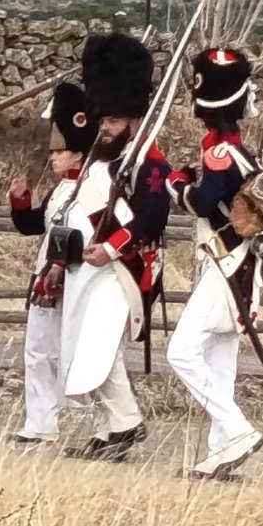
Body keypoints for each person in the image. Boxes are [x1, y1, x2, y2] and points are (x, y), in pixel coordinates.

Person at [56, 34, 171, 462]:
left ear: (135, 121)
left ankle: (125, 423)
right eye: (103, 119)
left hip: (128, 268)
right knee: (89, 346)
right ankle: (108, 431)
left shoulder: (151, 163)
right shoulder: (103, 160)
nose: (104, 127)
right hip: (97, 265)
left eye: (113, 120)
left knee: (98, 346)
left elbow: (151, 219)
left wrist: (111, 247)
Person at [166, 48, 263, 479]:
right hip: (236, 262)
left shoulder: (221, 153)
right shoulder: (235, 151)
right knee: (220, 363)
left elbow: (204, 204)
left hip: (227, 260)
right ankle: (221, 451)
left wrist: (177, 184)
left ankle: (238, 430)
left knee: (181, 352)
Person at [7, 81, 97, 443]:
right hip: (49, 279)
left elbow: (88, 235)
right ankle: (40, 423)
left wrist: (60, 266)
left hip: (75, 278)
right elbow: (35, 226)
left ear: (77, 154)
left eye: (60, 151)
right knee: (38, 351)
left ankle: (91, 418)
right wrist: (20, 201)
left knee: (76, 350)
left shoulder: (92, 188)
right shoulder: (59, 189)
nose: (54, 157)